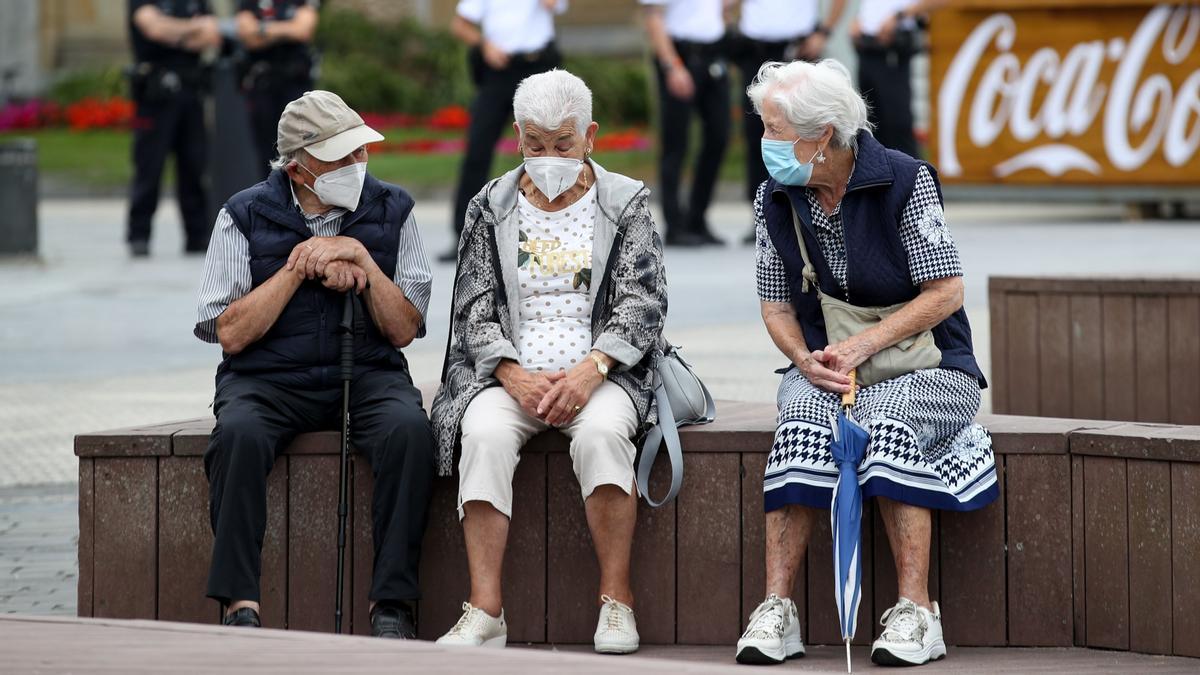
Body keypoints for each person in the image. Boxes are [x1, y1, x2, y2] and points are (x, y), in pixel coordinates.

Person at [735, 60, 997, 667]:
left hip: (934, 366)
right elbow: (775, 303)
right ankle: (778, 609)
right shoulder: (776, 195)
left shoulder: (904, 179)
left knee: (883, 421)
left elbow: (947, 292)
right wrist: (805, 359)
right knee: (800, 415)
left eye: (774, 129)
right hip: (829, 365)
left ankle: (917, 611)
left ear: (820, 134)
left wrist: (860, 346)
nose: (765, 143)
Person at [430, 70, 667, 654]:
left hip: (601, 369)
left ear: (589, 135)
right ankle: (485, 608)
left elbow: (645, 300)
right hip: (511, 375)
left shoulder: (625, 202)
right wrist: (511, 373)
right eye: (535, 144)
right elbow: (472, 305)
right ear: (517, 136)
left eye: (563, 144)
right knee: (481, 433)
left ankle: (617, 602)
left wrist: (592, 370)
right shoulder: (491, 205)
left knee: (605, 434)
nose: (548, 157)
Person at [194, 90, 435, 638]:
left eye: (360, 153)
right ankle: (239, 603)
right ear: (300, 168)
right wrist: (295, 269)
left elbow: (404, 329)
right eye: (342, 157)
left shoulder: (394, 208)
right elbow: (226, 332)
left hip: (368, 371)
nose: (358, 165)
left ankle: (392, 604)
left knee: (409, 432)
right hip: (266, 379)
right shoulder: (243, 214)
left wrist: (364, 262)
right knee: (238, 434)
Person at [441, 0, 566, 262]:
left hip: (537, 67)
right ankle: (464, 234)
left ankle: (554, 230)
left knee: (548, 148)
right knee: (477, 149)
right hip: (498, 70)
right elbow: (460, 24)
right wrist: (484, 44)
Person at [731, 0, 845, 244]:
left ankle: (817, 210)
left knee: (810, 133)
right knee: (761, 136)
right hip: (756, 49)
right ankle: (764, 213)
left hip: (800, 49)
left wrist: (824, 32)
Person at [127, 0, 222, 257]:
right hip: (154, 97)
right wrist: (191, 30)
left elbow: (211, 34)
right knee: (149, 167)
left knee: (194, 165)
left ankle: (196, 235)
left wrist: (173, 33)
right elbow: (153, 29)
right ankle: (139, 235)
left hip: (191, 93)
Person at [641, 0, 729, 246]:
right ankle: (675, 224)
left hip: (713, 53)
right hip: (680, 56)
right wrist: (672, 66)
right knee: (675, 142)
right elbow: (653, 16)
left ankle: (697, 218)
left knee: (719, 137)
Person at [851, 0, 945, 158]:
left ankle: (912, 179)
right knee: (869, 126)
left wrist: (900, 15)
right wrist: (858, 19)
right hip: (867, 47)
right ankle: (875, 180)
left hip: (893, 49)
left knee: (897, 126)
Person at [235, 0, 320, 175]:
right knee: (267, 154)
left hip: (295, 86)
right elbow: (247, 35)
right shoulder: (250, 3)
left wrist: (263, 29)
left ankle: (300, 199)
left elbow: (303, 30)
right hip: (263, 85)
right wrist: (287, 29)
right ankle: (272, 198)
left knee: (300, 150)